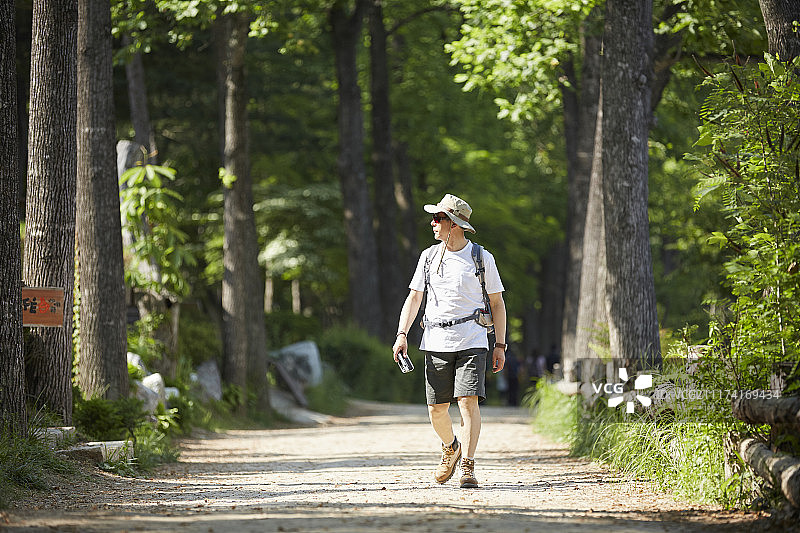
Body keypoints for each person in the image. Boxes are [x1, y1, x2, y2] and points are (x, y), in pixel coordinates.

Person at [392, 193, 507, 489]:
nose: (433, 223)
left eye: (438, 218)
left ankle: (468, 465)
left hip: (473, 339)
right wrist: (402, 333)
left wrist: (500, 345)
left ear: (453, 224)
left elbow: (497, 303)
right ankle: (451, 448)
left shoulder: (482, 258)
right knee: (437, 409)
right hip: (435, 342)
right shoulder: (428, 256)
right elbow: (415, 296)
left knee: (467, 402)